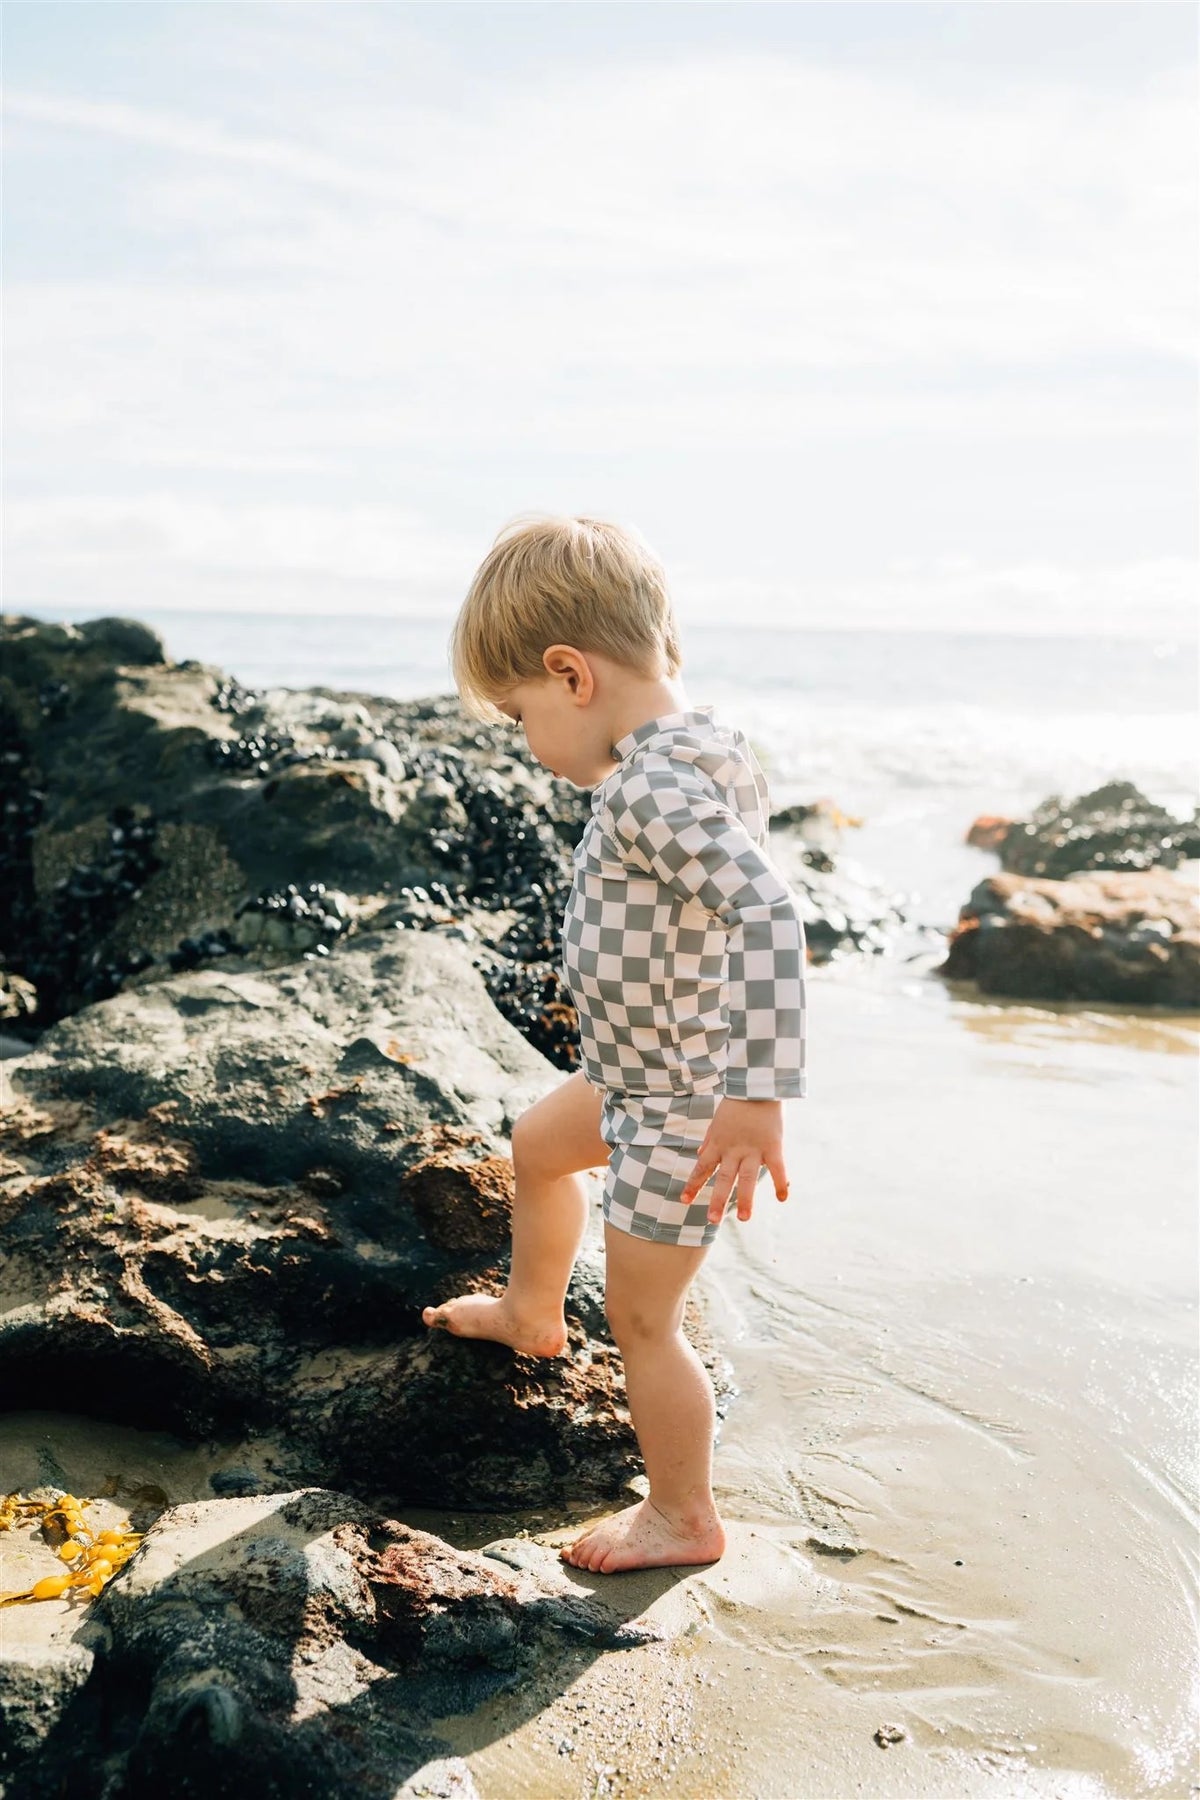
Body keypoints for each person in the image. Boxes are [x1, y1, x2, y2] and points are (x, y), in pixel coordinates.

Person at [422, 515, 808, 1574]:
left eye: (518, 714)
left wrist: (756, 1093)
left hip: (684, 1104)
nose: (521, 738)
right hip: (634, 1076)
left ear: (570, 674)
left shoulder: (649, 789)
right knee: (538, 1146)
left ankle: (683, 1515)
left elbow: (770, 914)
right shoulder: (694, 753)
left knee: (644, 1321)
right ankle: (530, 1310)